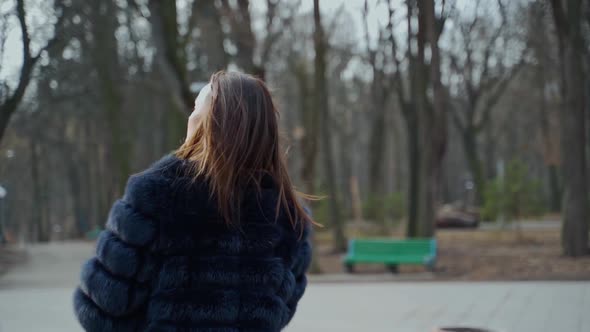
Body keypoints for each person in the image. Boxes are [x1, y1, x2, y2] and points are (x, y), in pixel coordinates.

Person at [73, 71, 313, 331]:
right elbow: (282, 306)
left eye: (197, 108)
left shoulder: (155, 195)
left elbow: (104, 304)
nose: (190, 116)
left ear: (207, 123)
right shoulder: (288, 213)